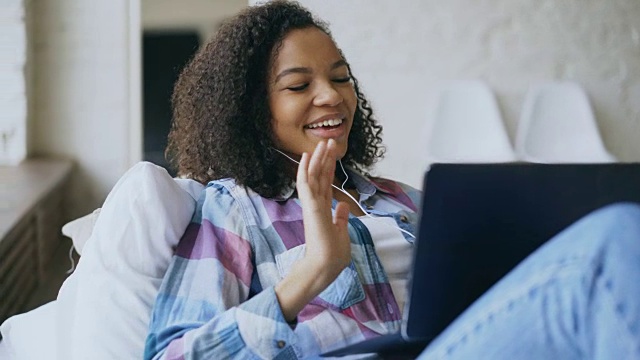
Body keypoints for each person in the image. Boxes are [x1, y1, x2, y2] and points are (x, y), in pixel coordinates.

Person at [144, 1, 640, 359]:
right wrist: (313, 271)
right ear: (250, 111)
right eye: (299, 85)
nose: (331, 97)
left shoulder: (404, 200)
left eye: (340, 78)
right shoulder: (235, 209)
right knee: (617, 236)